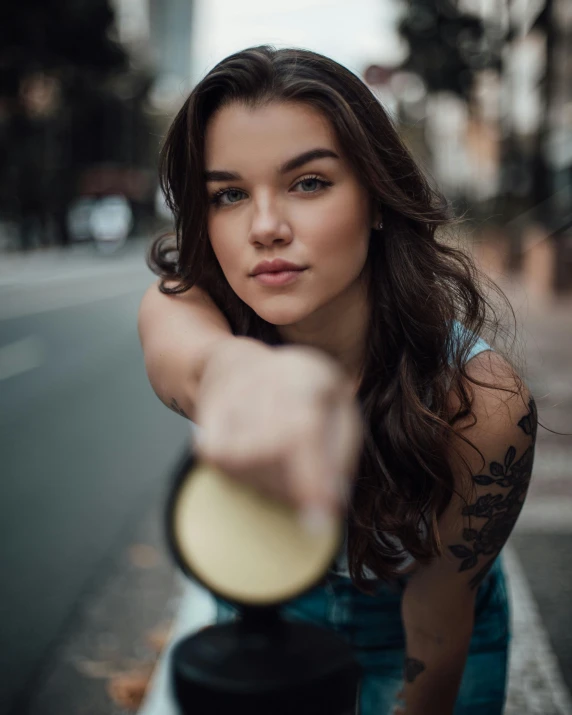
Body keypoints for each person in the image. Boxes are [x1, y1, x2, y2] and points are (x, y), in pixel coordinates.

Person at [138, 46, 537, 715]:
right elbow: (187, 350)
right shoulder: (192, 308)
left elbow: (435, 632)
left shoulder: (479, 405)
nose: (266, 227)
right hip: (262, 618)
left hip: (418, 641)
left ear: (376, 200)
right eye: (229, 194)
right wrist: (242, 373)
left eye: (309, 182)